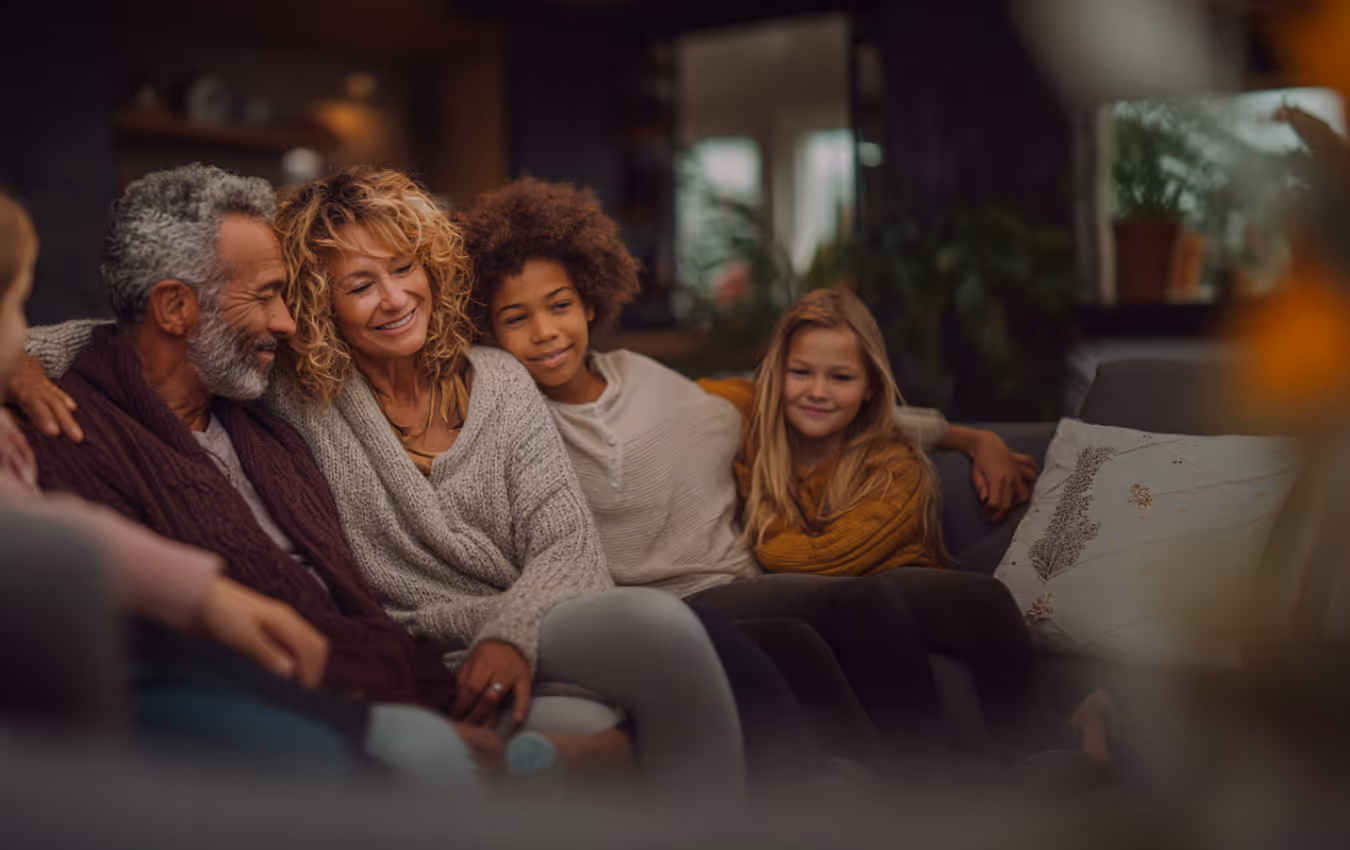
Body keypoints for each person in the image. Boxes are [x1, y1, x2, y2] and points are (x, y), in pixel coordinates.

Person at [15, 165, 755, 798]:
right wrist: (15, 360)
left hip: (513, 624)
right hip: (403, 644)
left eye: (404, 268)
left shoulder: (495, 380)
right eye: (360, 285)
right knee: (591, 728)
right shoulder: (290, 382)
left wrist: (510, 633)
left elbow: (568, 542)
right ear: (318, 304)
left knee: (671, 627)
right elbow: (132, 333)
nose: (396, 298)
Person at [459, 178, 1040, 767]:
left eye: (559, 306)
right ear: (490, 330)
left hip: (737, 582)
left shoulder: (655, 382)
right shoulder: (513, 423)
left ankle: (1015, 764)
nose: (545, 332)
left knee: (940, 600)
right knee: (835, 620)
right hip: (660, 612)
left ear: (589, 301)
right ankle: (920, 786)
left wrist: (965, 435)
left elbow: (797, 406)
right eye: (516, 318)